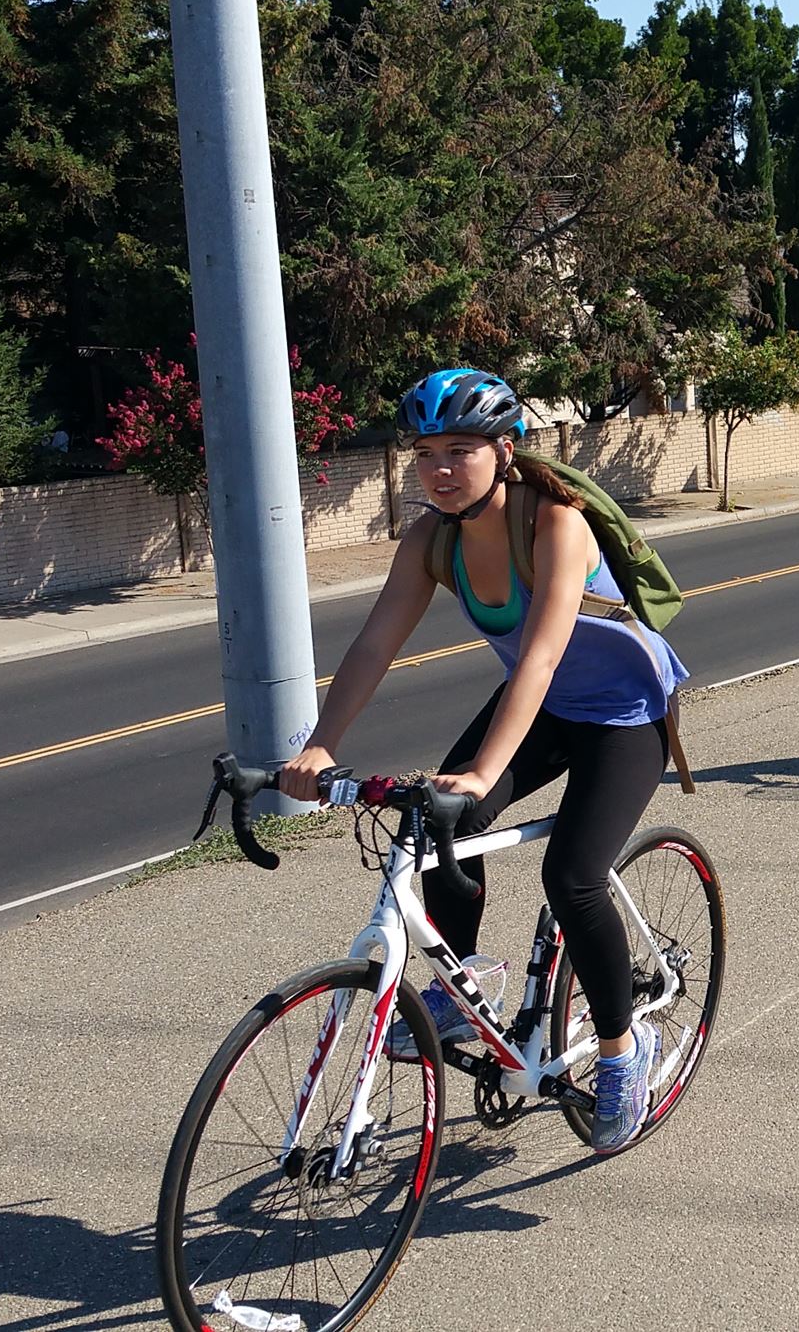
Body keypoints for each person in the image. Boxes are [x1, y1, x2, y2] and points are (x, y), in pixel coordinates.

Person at [276, 368, 687, 1155]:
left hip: (623, 714)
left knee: (571, 876)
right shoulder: (432, 538)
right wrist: (321, 743)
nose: (439, 468)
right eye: (425, 452)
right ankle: (461, 986)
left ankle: (620, 1053)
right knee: (435, 827)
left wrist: (482, 772)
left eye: (460, 449)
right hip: (541, 713)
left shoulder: (556, 524)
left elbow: (537, 658)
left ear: (505, 451)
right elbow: (373, 643)